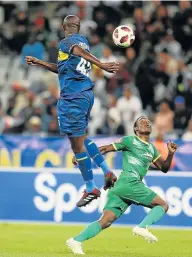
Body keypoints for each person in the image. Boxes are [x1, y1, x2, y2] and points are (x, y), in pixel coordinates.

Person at [25, 15, 119, 207]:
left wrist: (101, 64)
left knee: (77, 146)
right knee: (81, 139)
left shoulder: (68, 42)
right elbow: (63, 69)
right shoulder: (82, 42)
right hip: (84, 95)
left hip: (73, 98)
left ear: (63, 26)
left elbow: (76, 51)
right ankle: (107, 171)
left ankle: (91, 187)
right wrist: (39, 62)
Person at [68, 116, 178, 254]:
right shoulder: (129, 140)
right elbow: (104, 149)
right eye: (142, 122)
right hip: (130, 183)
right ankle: (142, 227)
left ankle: (75, 240)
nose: (147, 123)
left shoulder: (152, 149)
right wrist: (81, 156)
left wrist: (171, 154)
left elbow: (164, 168)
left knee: (105, 221)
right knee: (162, 205)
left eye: (148, 122)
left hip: (120, 188)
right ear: (136, 129)